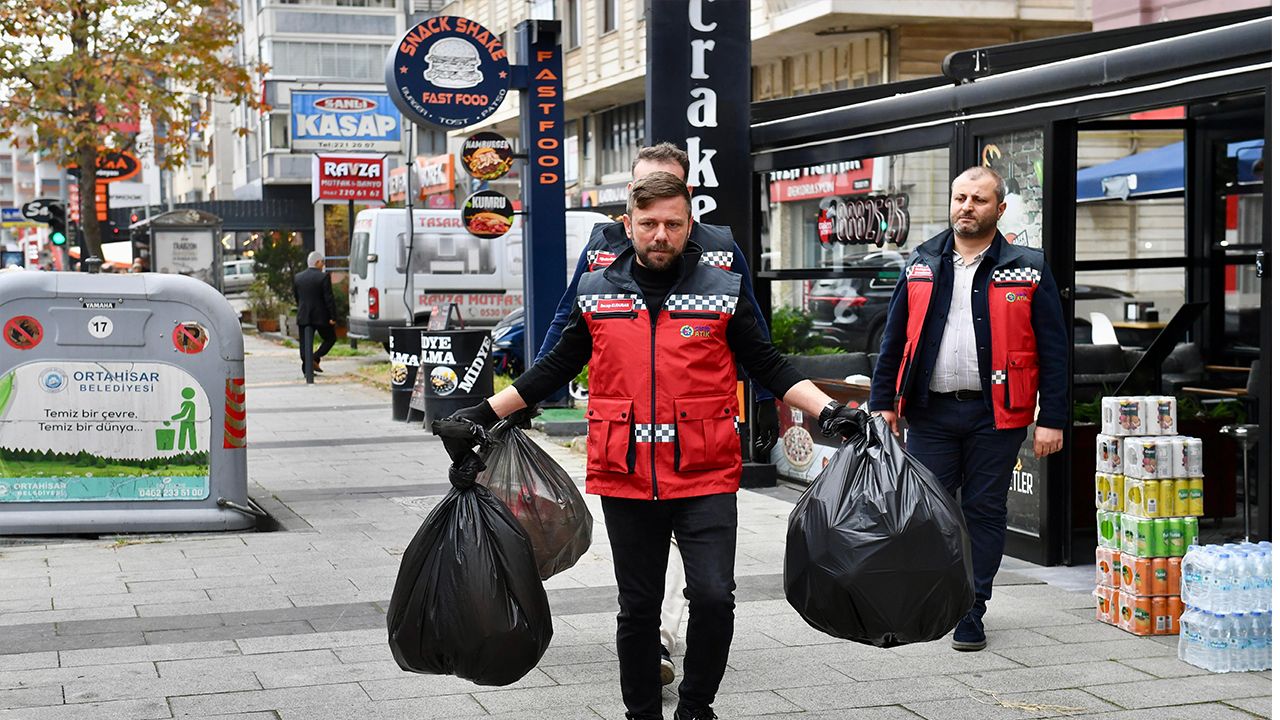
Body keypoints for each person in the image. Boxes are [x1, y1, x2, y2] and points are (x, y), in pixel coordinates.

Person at [449, 172, 862, 720]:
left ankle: (695, 708)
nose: (660, 235)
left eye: (672, 223)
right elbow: (555, 366)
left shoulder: (722, 289)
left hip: (705, 472)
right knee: (639, 607)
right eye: (648, 224)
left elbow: (768, 363)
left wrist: (830, 410)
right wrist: (482, 414)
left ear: (690, 225)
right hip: (625, 475)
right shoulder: (596, 291)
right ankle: (641, 713)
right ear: (628, 226)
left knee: (713, 597)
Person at [538, 142, 780, 685]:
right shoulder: (602, 248)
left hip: (697, 447)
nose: (659, 228)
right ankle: (658, 644)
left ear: (687, 201)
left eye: (671, 206)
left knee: (709, 586)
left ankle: (676, 657)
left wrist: (766, 405)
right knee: (642, 586)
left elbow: (754, 336)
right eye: (643, 199)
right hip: (629, 450)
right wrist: (531, 394)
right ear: (630, 205)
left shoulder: (720, 249)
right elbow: (568, 325)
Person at [868, 166, 1069, 652]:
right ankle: (937, 596)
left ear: (1000, 208)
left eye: (979, 199)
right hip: (931, 413)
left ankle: (971, 608)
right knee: (929, 512)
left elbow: (1054, 349)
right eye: (960, 197)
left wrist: (1053, 418)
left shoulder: (1028, 266)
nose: (967, 207)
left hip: (995, 415)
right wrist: (882, 403)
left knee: (983, 510)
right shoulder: (922, 261)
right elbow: (894, 338)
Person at [292, 250, 337, 376]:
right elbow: (328, 298)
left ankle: (307, 368)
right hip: (321, 316)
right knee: (330, 338)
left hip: (304, 315)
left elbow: (297, 297)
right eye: (322, 262)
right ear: (317, 262)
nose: (323, 264)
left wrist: (301, 308)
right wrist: (333, 316)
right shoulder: (323, 277)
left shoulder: (298, 277)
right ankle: (315, 358)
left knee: (304, 344)